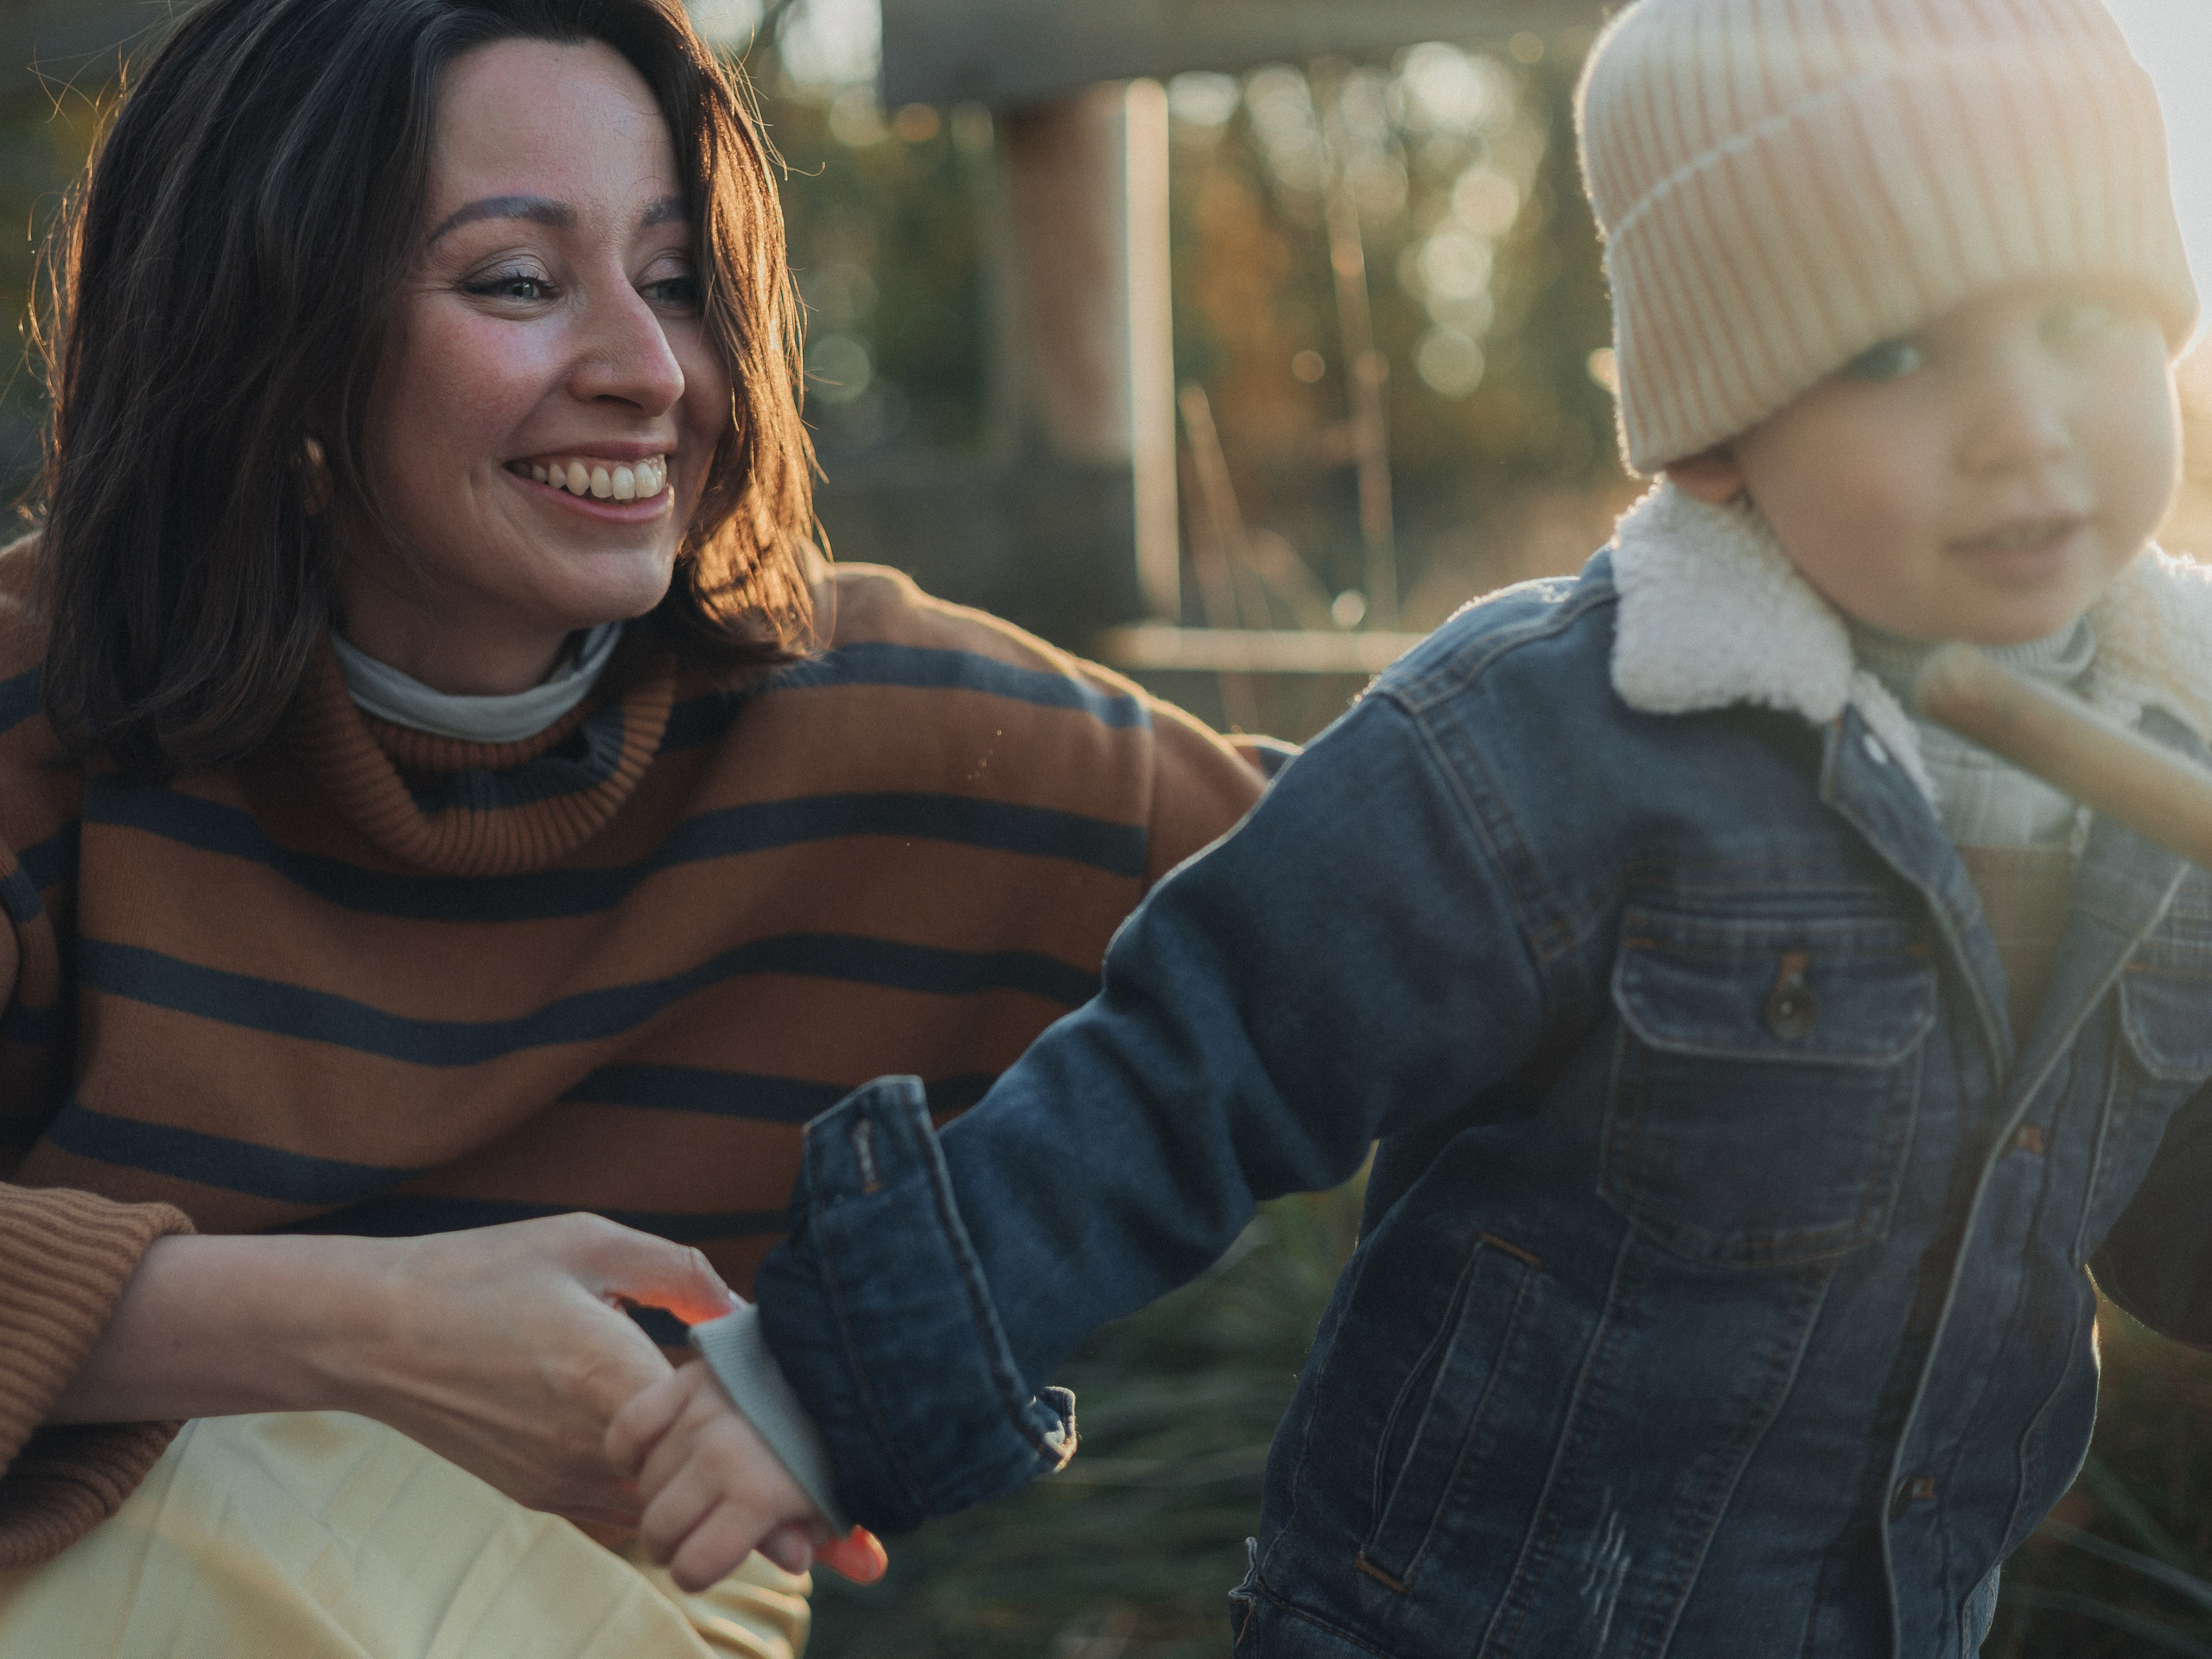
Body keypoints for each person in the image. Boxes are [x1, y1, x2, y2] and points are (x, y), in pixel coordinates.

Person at [607, 0, 2212, 1652]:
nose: (2026, 424)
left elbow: (2171, 1221)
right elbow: (1189, 1070)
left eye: (2082, 319)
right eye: (1895, 354)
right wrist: (832, 1381)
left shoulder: (2173, 778)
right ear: (1721, 435)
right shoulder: (1557, 741)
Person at [0, 0, 1267, 1654]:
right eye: (518, 281)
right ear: (278, 342)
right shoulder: (37, 711)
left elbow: (1412, 874)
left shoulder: (893, 726)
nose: (650, 372)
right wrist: (355, 1327)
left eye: (675, 281)